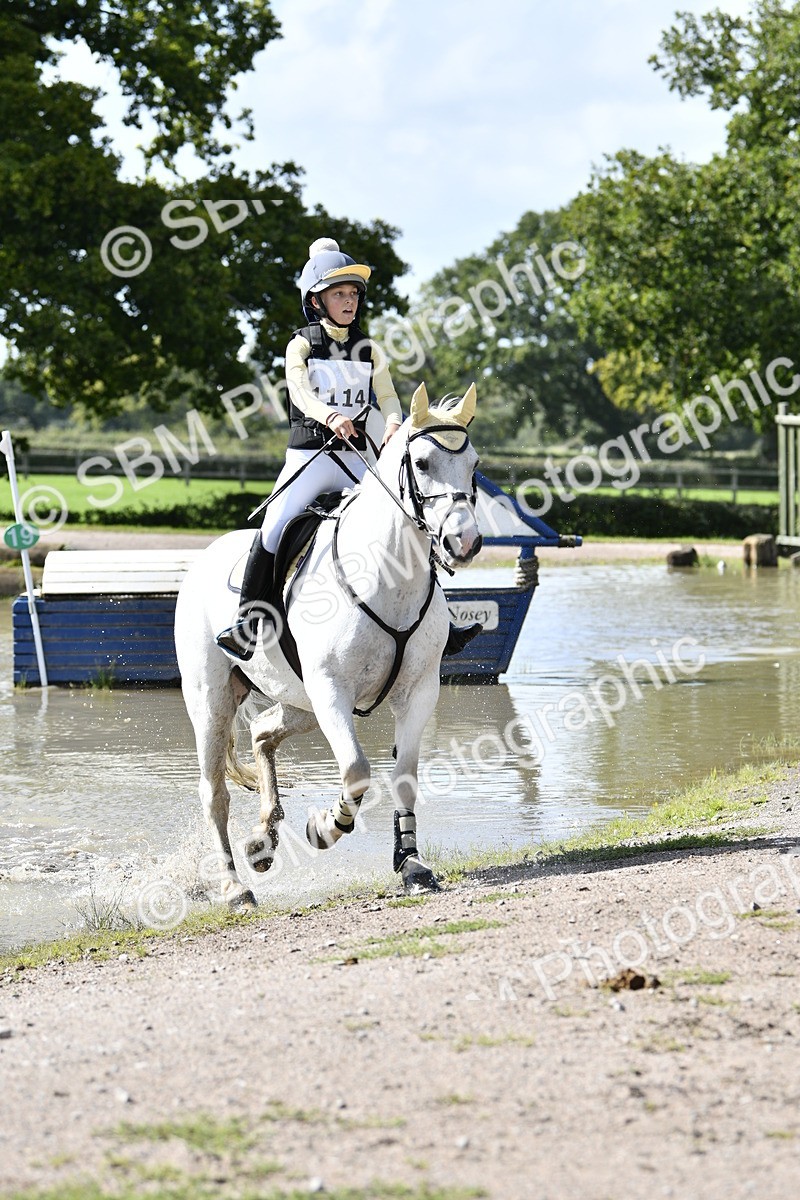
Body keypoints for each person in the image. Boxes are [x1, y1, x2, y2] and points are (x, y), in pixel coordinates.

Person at [216, 237, 481, 661]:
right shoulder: (301, 344)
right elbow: (300, 393)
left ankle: (441, 622)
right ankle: (249, 621)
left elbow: (389, 396)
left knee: (411, 520)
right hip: (310, 459)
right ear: (316, 300)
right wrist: (329, 416)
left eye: (354, 293)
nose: (349, 301)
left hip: (358, 458)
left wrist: (394, 421)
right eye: (339, 293)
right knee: (273, 525)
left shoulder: (369, 349)